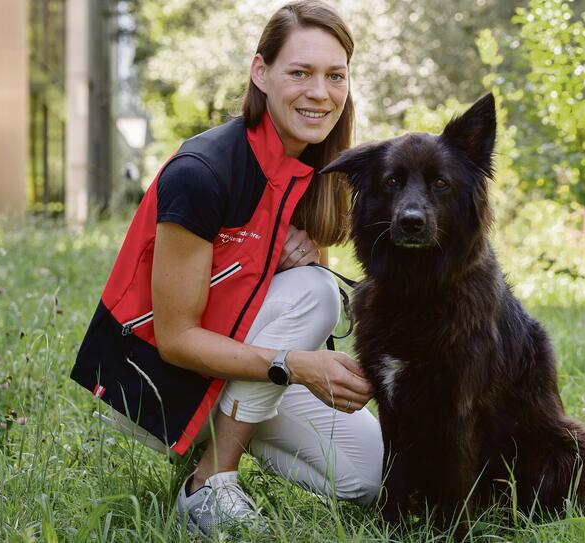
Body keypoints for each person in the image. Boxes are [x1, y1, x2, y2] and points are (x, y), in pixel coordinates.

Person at [68, 0, 381, 537]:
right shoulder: (203, 171)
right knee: (315, 294)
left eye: (335, 76)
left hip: (242, 366)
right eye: (299, 72)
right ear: (260, 72)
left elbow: (283, 299)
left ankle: (215, 440)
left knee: (371, 477)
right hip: (158, 380)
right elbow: (174, 339)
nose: (319, 92)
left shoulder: (316, 167)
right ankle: (208, 485)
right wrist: (300, 366)